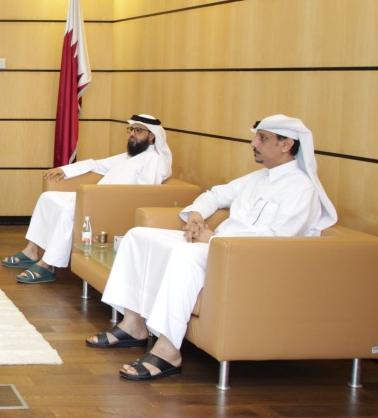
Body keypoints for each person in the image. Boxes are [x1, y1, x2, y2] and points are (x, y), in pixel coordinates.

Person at [86, 114, 336, 381]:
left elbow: (275, 241)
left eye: (262, 138)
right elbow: (214, 194)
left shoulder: (302, 189)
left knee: (184, 256)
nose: (254, 143)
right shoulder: (258, 178)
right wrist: (196, 216)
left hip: (242, 257)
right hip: (217, 245)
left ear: (286, 145)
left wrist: (213, 240)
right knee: (138, 236)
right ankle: (133, 324)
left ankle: (168, 351)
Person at [5, 114, 172, 284]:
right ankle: (31, 250)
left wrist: (102, 197)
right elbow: (97, 164)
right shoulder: (131, 156)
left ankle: (47, 264)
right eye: (131, 129)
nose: (132, 134)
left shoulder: (155, 160)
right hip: (97, 197)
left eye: (138, 130)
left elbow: (143, 193)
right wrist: (65, 170)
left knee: (69, 208)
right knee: (48, 197)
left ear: (152, 136)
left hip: (112, 204)